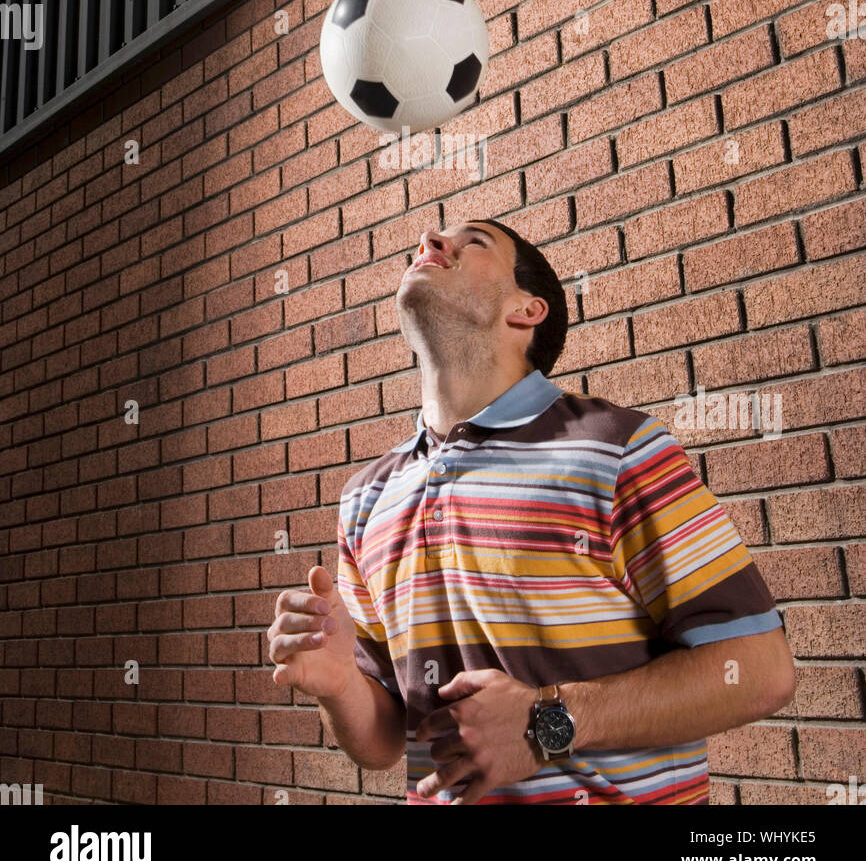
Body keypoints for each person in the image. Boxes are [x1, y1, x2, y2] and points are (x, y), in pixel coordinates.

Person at [267, 218, 796, 804]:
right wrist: (339, 683)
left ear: (527, 310)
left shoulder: (617, 450)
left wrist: (546, 723)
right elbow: (383, 742)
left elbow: (759, 671)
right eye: (429, 242)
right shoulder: (365, 498)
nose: (431, 243)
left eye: (472, 243)